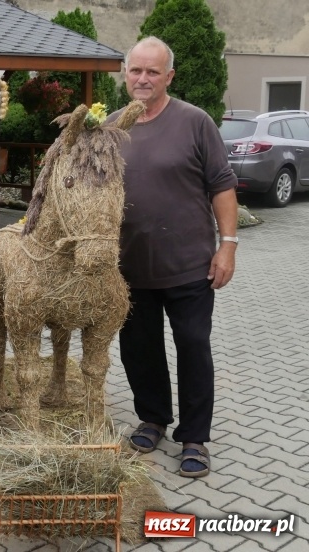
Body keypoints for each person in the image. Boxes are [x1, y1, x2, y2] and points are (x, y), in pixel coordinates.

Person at [108, 37, 238, 477]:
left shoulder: (195, 122)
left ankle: (194, 438)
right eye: (136, 70)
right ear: (126, 74)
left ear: (169, 77)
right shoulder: (111, 127)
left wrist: (227, 245)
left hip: (190, 265)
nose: (143, 79)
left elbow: (222, 185)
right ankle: (153, 419)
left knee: (194, 348)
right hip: (129, 267)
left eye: (152, 72)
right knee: (139, 349)